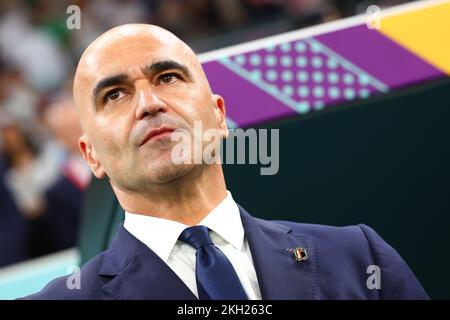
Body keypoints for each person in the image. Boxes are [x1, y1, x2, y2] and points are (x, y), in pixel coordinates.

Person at [24, 24, 428, 300]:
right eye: (114, 94)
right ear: (90, 154)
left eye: (167, 77)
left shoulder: (361, 259)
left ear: (219, 114)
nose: (149, 104)